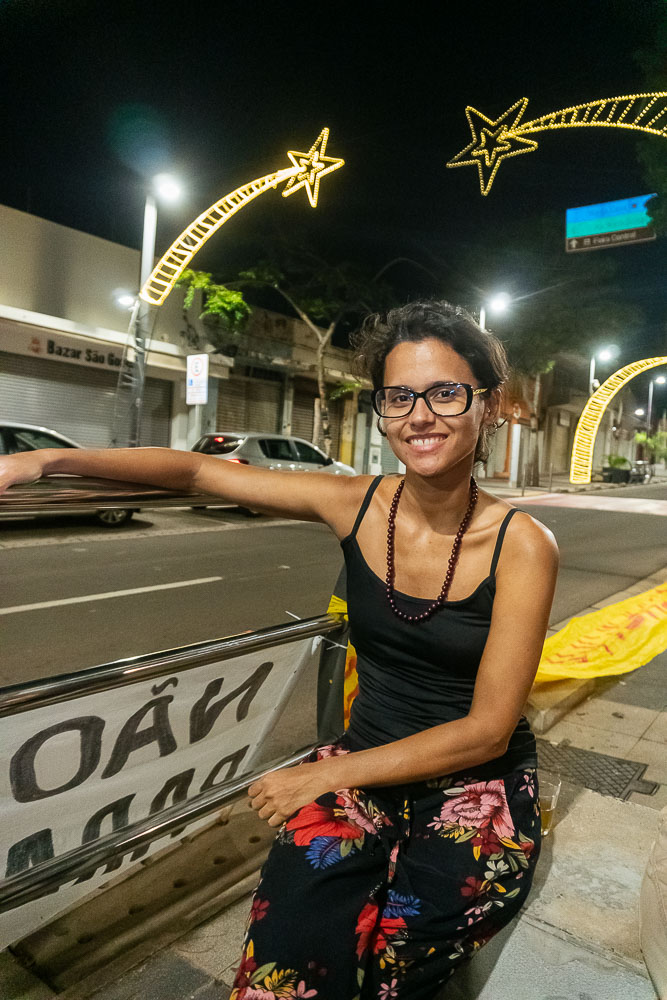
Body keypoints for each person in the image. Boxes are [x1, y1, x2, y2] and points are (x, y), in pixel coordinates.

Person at [0, 300, 558, 999]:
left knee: (400, 957)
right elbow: (197, 474)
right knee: (287, 958)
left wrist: (318, 775)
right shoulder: (353, 503)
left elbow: (486, 731)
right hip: (364, 768)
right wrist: (48, 458)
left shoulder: (523, 545)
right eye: (398, 396)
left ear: (488, 404)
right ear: (381, 409)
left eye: (446, 392)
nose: (420, 415)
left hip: (474, 785)